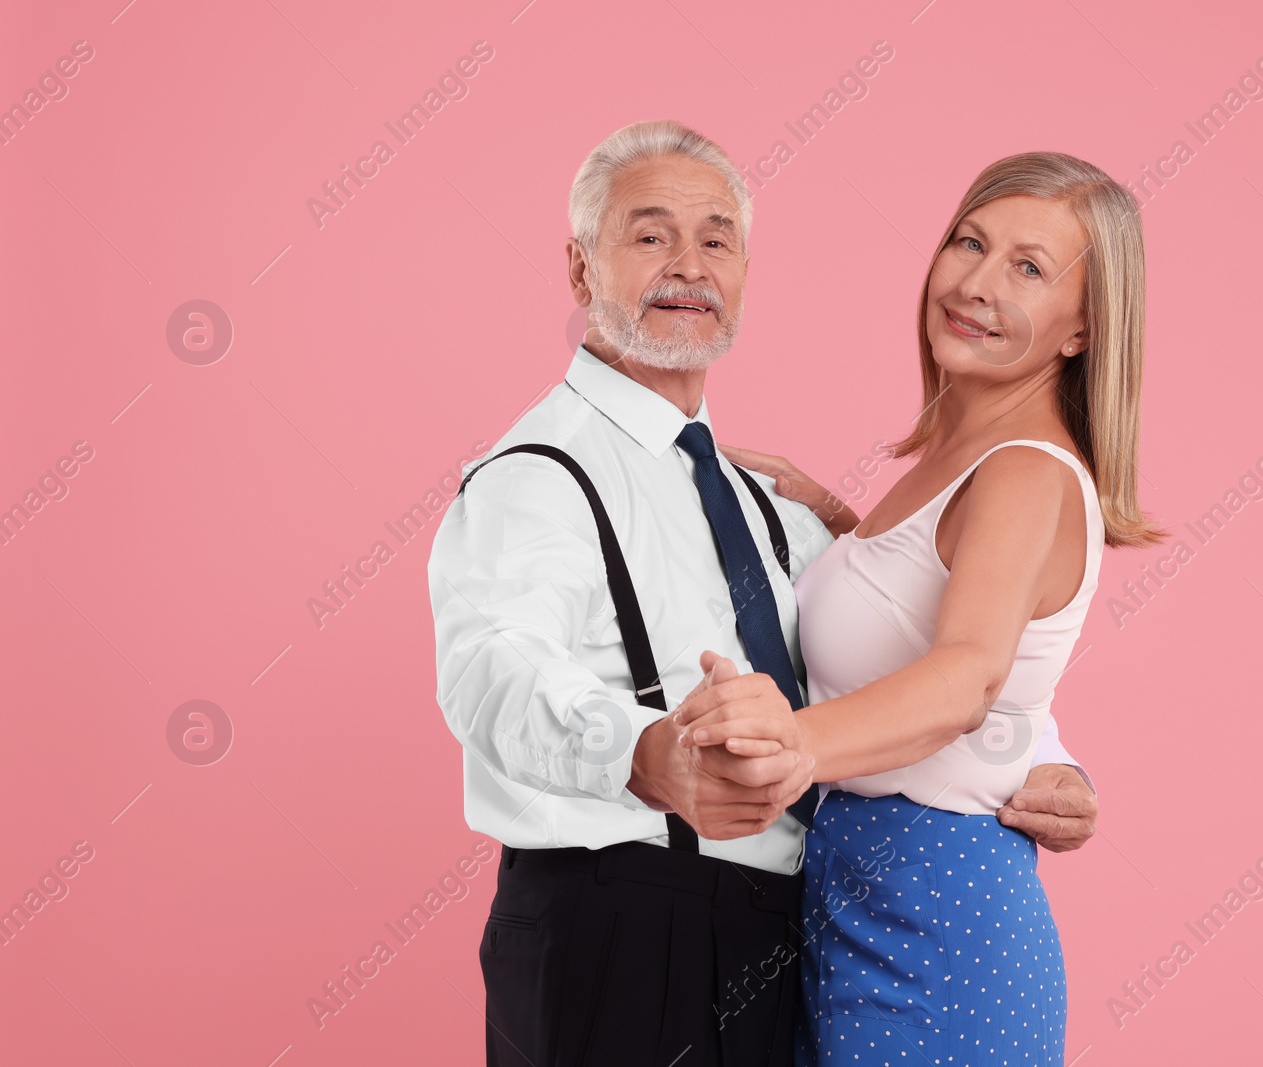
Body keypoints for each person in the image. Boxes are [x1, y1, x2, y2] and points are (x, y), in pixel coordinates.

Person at [427, 120, 1100, 1067]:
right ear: (581, 271)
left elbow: (929, 642)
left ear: (745, 272)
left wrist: (1046, 760)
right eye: (650, 234)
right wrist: (642, 751)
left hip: (791, 936)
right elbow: (491, 667)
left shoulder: (765, 506)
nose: (688, 266)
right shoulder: (538, 472)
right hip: (618, 929)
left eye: (716, 240)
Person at [674, 151, 1162, 1065]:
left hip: (938, 916)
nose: (976, 284)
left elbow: (968, 675)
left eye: (1027, 267)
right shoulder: (956, 461)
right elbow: (938, 635)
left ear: (1084, 326)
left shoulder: (1023, 470)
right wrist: (838, 525)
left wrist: (795, 745)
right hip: (853, 890)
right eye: (968, 243)